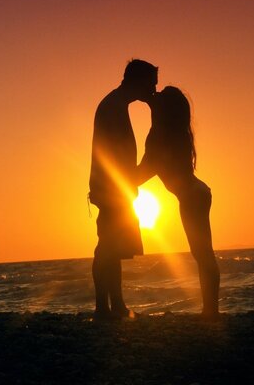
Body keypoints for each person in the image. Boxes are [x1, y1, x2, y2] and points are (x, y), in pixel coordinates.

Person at [137, 86, 220, 319]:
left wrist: (114, 178)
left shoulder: (158, 137)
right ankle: (211, 310)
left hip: (192, 197)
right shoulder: (176, 133)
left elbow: (143, 172)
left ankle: (211, 311)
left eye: (159, 98)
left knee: (202, 254)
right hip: (197, 193)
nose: (155, 97)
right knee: (204, 254)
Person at [89, 59, 158, 319]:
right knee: (107, 246)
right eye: (150, 84)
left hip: (115, 187)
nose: (153, 90)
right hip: (111, 188)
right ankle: (102, 308)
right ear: (137, 81)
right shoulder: (113, 107)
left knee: (113, 247)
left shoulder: (116, 104)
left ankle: (115, 305)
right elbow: (112, 154)